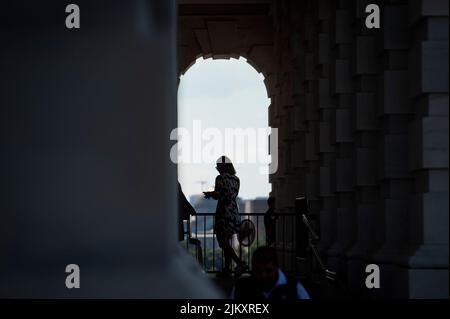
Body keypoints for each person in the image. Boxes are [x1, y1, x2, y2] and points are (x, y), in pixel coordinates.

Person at [203, 156, 247, 277]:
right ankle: (227, 269)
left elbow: (219, 195)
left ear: (221, 167)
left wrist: (210, 194)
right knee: (227, 241)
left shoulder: (220, 178)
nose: (217, 169)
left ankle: (239, 262)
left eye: (218, 167)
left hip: (223, 211)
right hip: (233, 211)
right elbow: (233, 194)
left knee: (222, 242)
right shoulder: (237, 179)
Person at [232, 246, 310, 299]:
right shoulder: (241, 288)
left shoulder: (295, 289)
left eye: (268, 271)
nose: (263, 276)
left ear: (276, 267)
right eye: (258, 271)